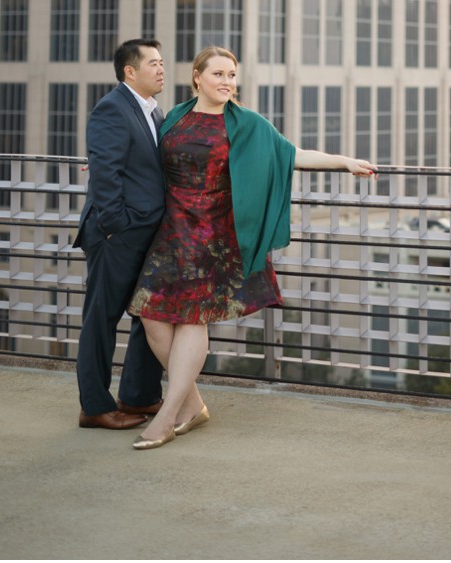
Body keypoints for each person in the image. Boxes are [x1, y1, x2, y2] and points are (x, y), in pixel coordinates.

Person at [126, 45, 375, 450]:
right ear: (197, 77)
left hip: (214, 237)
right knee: (152, 318)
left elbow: (290, 155)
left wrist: (344, 161)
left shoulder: (246, 125)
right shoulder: (176, 117)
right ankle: (193, 405)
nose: (227, 82)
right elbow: (148, 159)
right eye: (218, 74)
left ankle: (168, 416)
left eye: (231, 75)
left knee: (192, 320)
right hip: (171, 233)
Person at [74, 38, 168, 430]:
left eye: (162, 62)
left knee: (148, 316)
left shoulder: (154, 111)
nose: (162, 69)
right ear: (130, 71)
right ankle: (95, 407)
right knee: (102, 319)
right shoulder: (112, 108)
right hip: (118, 236)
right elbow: (105, 175)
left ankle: (138, 397)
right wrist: (118, 229)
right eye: (154, 63)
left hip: (148, 233)